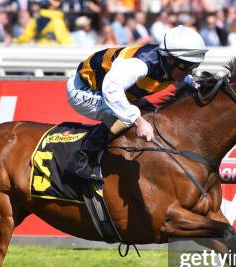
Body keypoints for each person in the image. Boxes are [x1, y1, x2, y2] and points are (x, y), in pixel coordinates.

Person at [66, 25, 207, 182]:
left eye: (195, 66)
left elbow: (190, 83)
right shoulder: (140, 64)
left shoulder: (171, 64)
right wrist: (138, 121)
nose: (191, 71)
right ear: (169, 59)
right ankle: (81, 159)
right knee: (124, 117)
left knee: (152, 115)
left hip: (112, 88)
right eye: (188, 66)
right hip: (83, 89)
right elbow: (111, 90)